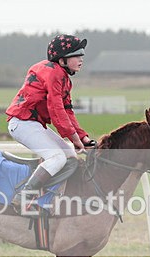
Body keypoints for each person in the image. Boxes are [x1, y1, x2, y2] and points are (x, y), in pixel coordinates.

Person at [5, 34, 95, 209]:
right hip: (22, 123)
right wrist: (74, 139)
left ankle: (44, 193)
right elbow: (56, 111)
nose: (81, 59)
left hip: (34, 124)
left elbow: (67, 111)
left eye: (82, 55)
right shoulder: (55, 74)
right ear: (62, 60)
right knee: (57, 158)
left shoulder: (63, 78)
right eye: (76, 55)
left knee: (71, 158)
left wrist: (83, 138)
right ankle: (24, 195)